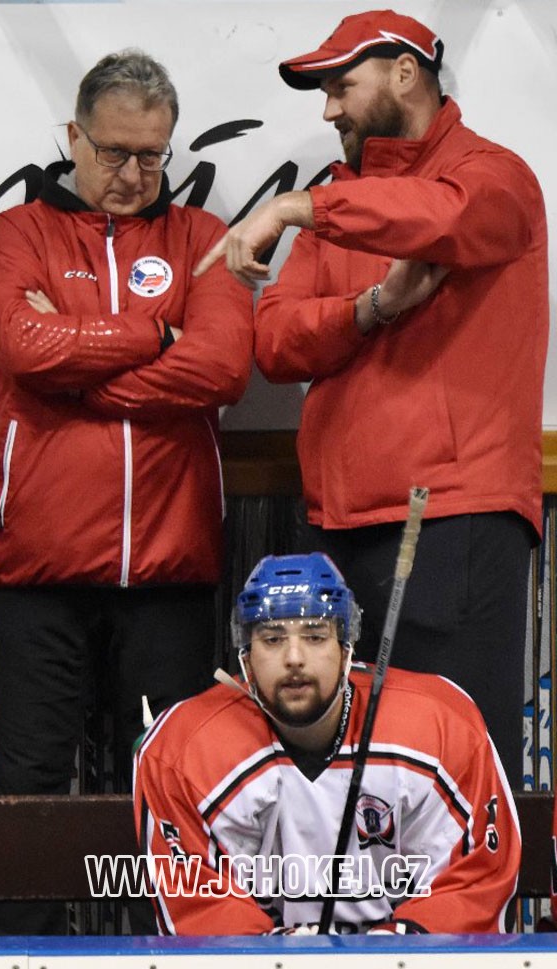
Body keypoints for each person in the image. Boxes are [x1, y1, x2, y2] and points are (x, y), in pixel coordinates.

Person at [194, 9, 549, 788]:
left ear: (404, 73)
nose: (329, 110)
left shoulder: (496, 175)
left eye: (340, 86)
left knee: (456, 767)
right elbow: (276, 342)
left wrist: (296, 207)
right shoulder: (343, 201)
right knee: (357, 781)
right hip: (337, 524)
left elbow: (447, 217)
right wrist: (371, 309)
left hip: (451, 516)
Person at [0, 49, 253, 933]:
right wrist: (153, 333)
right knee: (29, 793)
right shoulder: (14, 236)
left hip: (169, 573)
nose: (133, 175)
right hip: (36, 574)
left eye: (152, 156)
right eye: (115, 152)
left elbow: (222, 367)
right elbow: (23, 349)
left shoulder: (203, 238)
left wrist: (81, 367)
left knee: (170, 792)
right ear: (74, 138)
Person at [134, 552, 520, 936]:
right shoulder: (181, 751)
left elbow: (473, 881)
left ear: (346, 648)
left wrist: (393, 948)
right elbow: (199, 903)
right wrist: (281, 954)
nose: (294, 658)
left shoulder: (440, 724)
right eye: (272, 639)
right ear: (246, 656)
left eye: (315, 636)